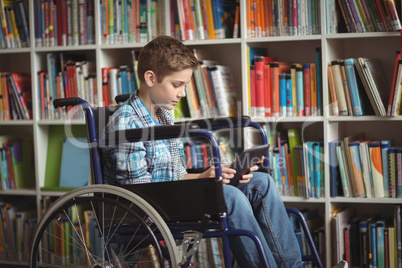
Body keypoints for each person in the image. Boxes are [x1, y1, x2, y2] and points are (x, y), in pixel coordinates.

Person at [102, 35, 303, 268]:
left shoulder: (164, 115)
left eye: (185, 86)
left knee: (262, 183)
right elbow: (141, 193)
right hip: (149, 207)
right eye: (177, 85)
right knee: (230, 197)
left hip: (172, 196)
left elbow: (176, 174)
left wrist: (211, 175)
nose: (182, 94)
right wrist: (202, 181)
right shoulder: (127, 121)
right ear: (150, 78)